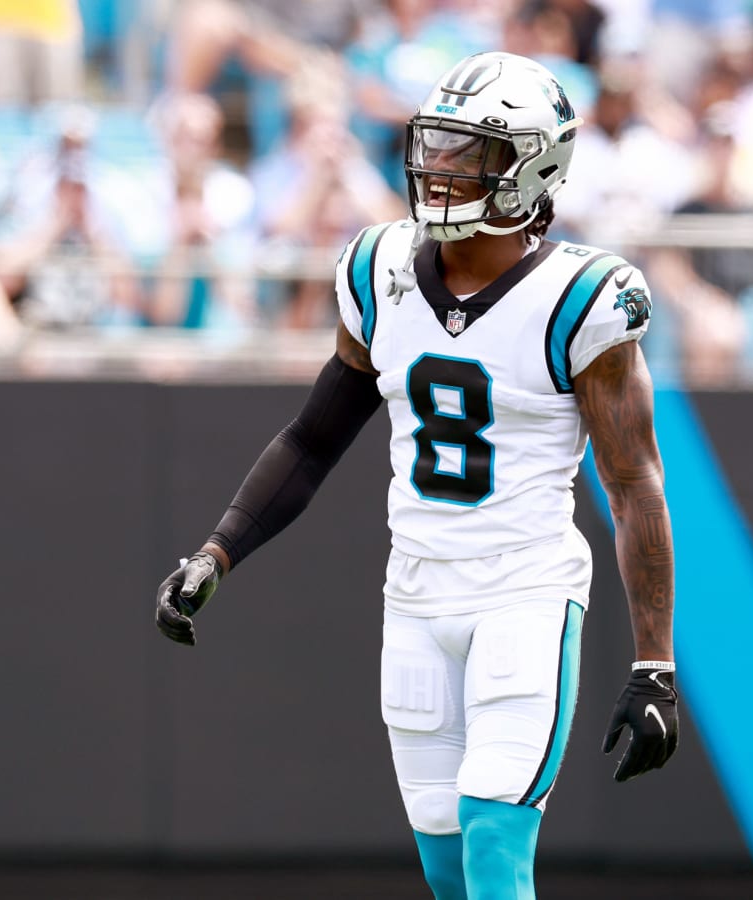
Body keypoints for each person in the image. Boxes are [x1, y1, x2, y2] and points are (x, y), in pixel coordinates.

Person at [154, 52, 678, 900]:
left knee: (493, 849)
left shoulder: (582, 297)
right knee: (446, 870)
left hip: (525, 590)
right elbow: (314, 435)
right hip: (416, 596)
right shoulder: (378, 270)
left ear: (530, 168)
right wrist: (218, 551)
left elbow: (634, 485)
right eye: (435, 148)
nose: (438, 170)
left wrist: (655, 663)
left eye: (468, 154)